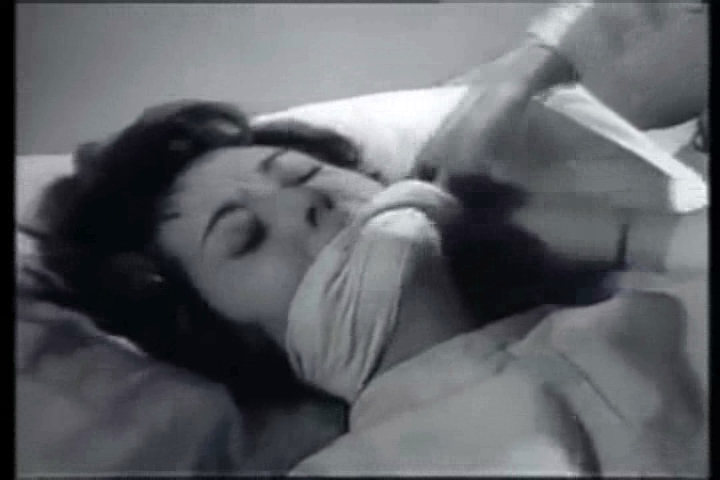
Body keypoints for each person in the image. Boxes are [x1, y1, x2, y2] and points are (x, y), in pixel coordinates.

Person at [19, 1, 707, 475]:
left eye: (301, 173)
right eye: (245, 237)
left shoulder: (640, 306)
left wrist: (610, 229)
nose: (305, 201)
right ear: (224, 338)